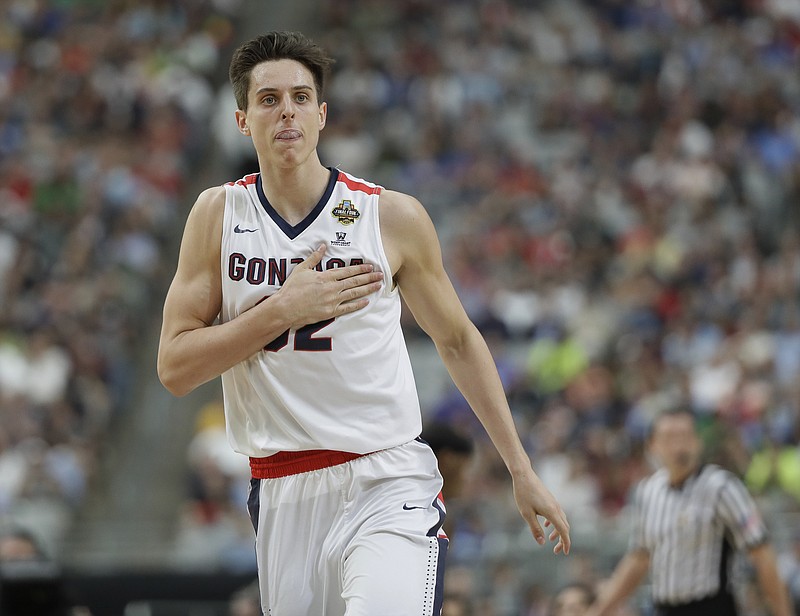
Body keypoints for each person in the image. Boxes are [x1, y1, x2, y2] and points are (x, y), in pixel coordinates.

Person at [157, 31, 570, 615]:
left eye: (301, 98)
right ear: (243, 120)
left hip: (387, 475)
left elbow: (456, 339)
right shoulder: (218, 215)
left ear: (322, 115)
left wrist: (520, 470)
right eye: (269, 99)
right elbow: (174, 368)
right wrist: (282, 310)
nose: (287, 112)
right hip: (281, 486)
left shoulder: (389, 216)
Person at [586, 409, 792, 616]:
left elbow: (762, 553)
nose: (678, 445)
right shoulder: (648, 491)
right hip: (664, 607)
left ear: (697, 442)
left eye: (685, 436)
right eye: (669, 437)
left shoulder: (722, 488)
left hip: (711, 607)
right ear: (652, 446)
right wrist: (599, 611)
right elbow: (639, 558)